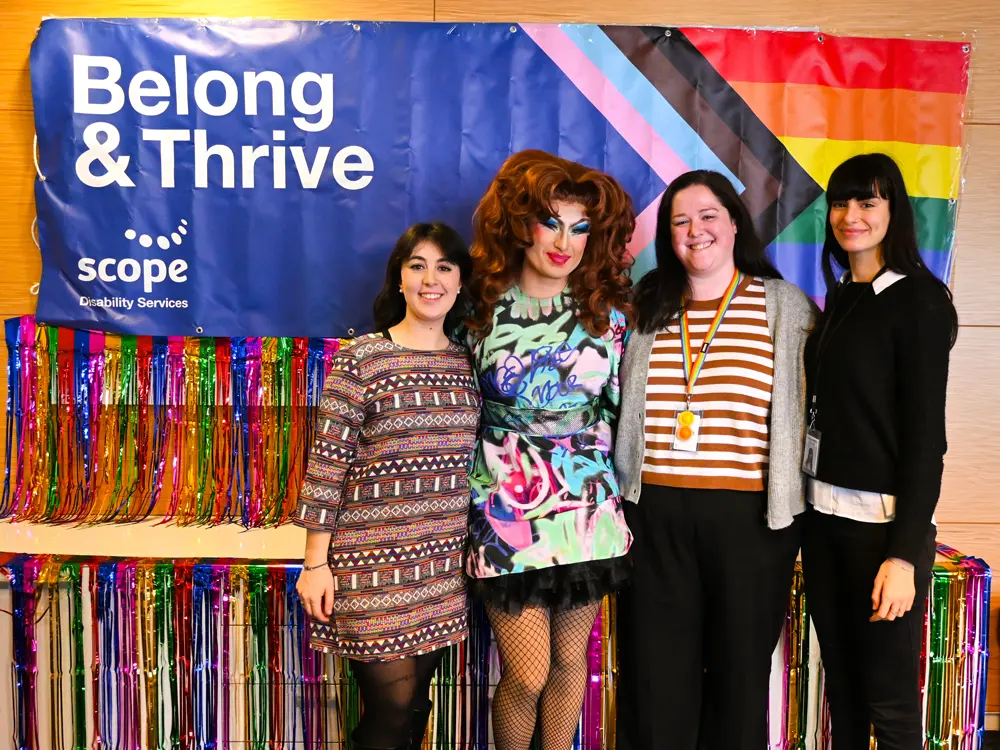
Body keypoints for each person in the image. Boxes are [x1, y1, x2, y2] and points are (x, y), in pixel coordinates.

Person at [614, 169, 815, 750]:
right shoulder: (648, 306)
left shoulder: (783, 306)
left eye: (707, 216)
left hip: (751, 522)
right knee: (656, 678)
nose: (694, 231)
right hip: (654, 516)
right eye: (679, 221)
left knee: (738, 678)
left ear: (733, 223)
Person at [463, 149, 635, 750]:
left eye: (580, 227)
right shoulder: (477, 309)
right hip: (505, 510)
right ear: (519, 223)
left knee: (570, 669)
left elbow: (618, 413)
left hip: (586, 509)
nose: (565, 241)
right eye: (551, 222)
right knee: (528, 673)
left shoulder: (608, 317)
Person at [294, 223, 481, 750]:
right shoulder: (363, 358)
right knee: (392, 709)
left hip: (440, 569)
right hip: (370, 567)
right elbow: (326, 466)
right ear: (399, 279)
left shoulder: (467, 362)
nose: (431, 279)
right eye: (417, 265)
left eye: (444, 266)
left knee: (414, 706)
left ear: (461, 281)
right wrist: (314, 564)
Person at [801, 153, 957, 750]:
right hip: (824, 526)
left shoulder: (918, 301)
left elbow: (926, 443)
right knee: (841, 690)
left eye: (868, 201)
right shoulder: (842, 296)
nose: (851, 216)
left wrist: (903, 558)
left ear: (894, 211)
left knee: (887, 701)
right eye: (841, 202)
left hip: (882, 533)